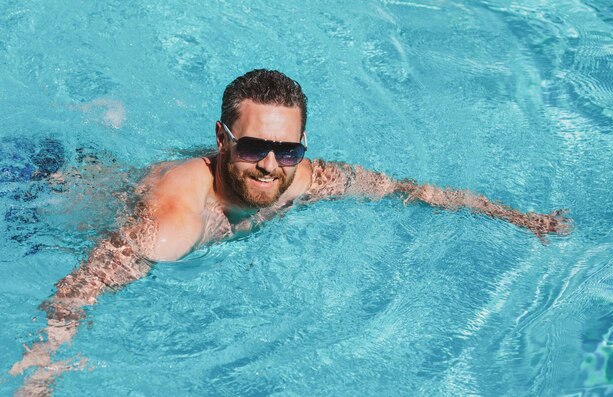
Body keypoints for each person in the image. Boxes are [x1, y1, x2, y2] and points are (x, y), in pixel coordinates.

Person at [9, 69, 570, 394]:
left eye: (288, 149)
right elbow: (80, 288)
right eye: (254, 147)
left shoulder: (302, 178)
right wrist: (43, 366)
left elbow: (412, 191)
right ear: (223, 139)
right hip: (38, 198)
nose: (270, 165)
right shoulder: (173, 222)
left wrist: (520, 221)